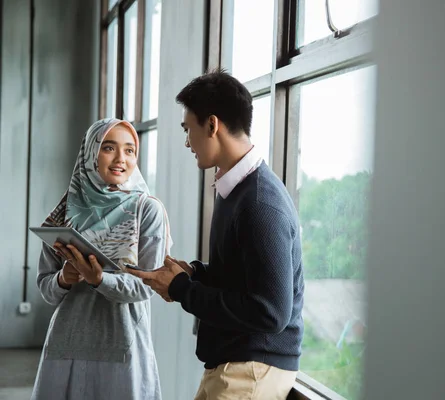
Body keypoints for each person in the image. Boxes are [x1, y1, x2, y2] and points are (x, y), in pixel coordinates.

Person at [128, 69, 305, 400]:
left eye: (188, 130)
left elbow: (270, 312)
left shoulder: (259, 202)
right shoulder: (236, 189)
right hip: (236, 366)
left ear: (212, 125)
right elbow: (242, 280)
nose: (186, 142)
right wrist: (193, 273)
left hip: (252, 371)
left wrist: (182, 288)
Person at [31, 118, 171, 400]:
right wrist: (63, 278)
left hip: (120, 348)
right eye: (109, 148)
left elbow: (147, 286)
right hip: (66, 346)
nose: (121, 159)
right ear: (90, 153)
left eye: (130, 150)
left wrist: (98, 279)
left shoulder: (147, 211)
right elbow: (46, 287)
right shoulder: (66, 209)